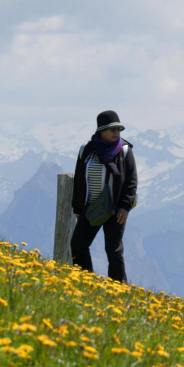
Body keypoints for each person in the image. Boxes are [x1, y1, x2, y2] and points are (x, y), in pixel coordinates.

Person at [70, 110, 137, 282]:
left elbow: (131, 182)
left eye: (118, 130)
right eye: (112, 129)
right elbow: (78, 179)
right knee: (78, 245)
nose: (116, 133)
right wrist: (77, 208)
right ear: (101, 130)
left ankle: (118, 289)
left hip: (115, 211)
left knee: (113, 250)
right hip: (90, 208)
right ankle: (85, 281)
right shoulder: (86, 150)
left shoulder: (124, 151)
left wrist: (125, 207)